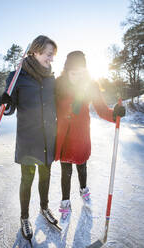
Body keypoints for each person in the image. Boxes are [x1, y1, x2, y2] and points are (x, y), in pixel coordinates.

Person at [0, 35, 58, 239]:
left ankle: (44, 207)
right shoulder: (17, 77)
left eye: (53, 56)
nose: (51, 59)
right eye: (48, 55)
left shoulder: (51, 79)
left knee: (46, 175)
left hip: (48, 137)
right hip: (28, 138)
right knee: (27, 179)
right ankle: (24, 217)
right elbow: (10, 107)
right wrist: (5, 102)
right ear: (35, 51)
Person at [55, 51, 125, 219]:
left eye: (81, 73)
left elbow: (101, 109)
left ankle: (83, 188)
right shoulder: (58, 85)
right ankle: (65, 201)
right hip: (63, 135)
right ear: (66, 71)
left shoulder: (90, 85)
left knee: (82, 165)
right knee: (65, 171)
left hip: (81, 135)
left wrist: (114, 114)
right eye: (74, 73)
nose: (78, 77)